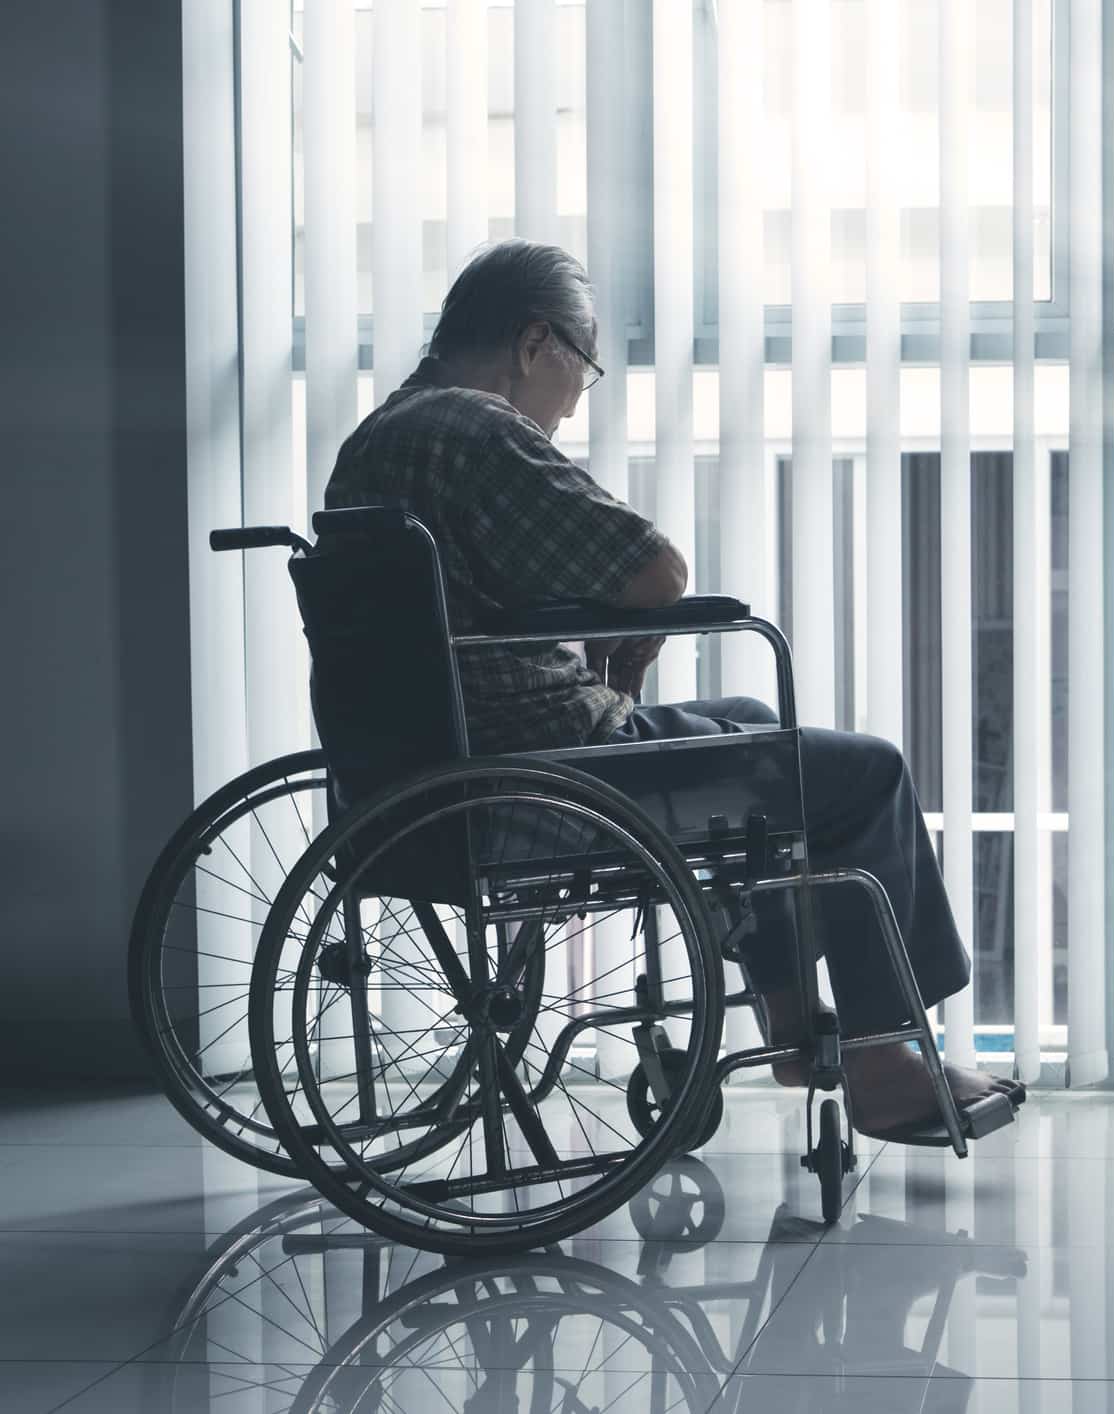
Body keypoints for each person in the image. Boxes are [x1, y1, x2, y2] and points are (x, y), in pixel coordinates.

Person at [324, 239, 1016, 1139]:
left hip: (440, 767)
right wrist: (633, 610)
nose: (574, 405)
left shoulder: (376, 441)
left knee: (756, 731)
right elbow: (655, 569)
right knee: (865, 775)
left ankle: (794, 1027)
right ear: (539, 343)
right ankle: (884, 1061)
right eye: (585, 370)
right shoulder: (473, 428)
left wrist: (604, 613)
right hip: (541, 772)